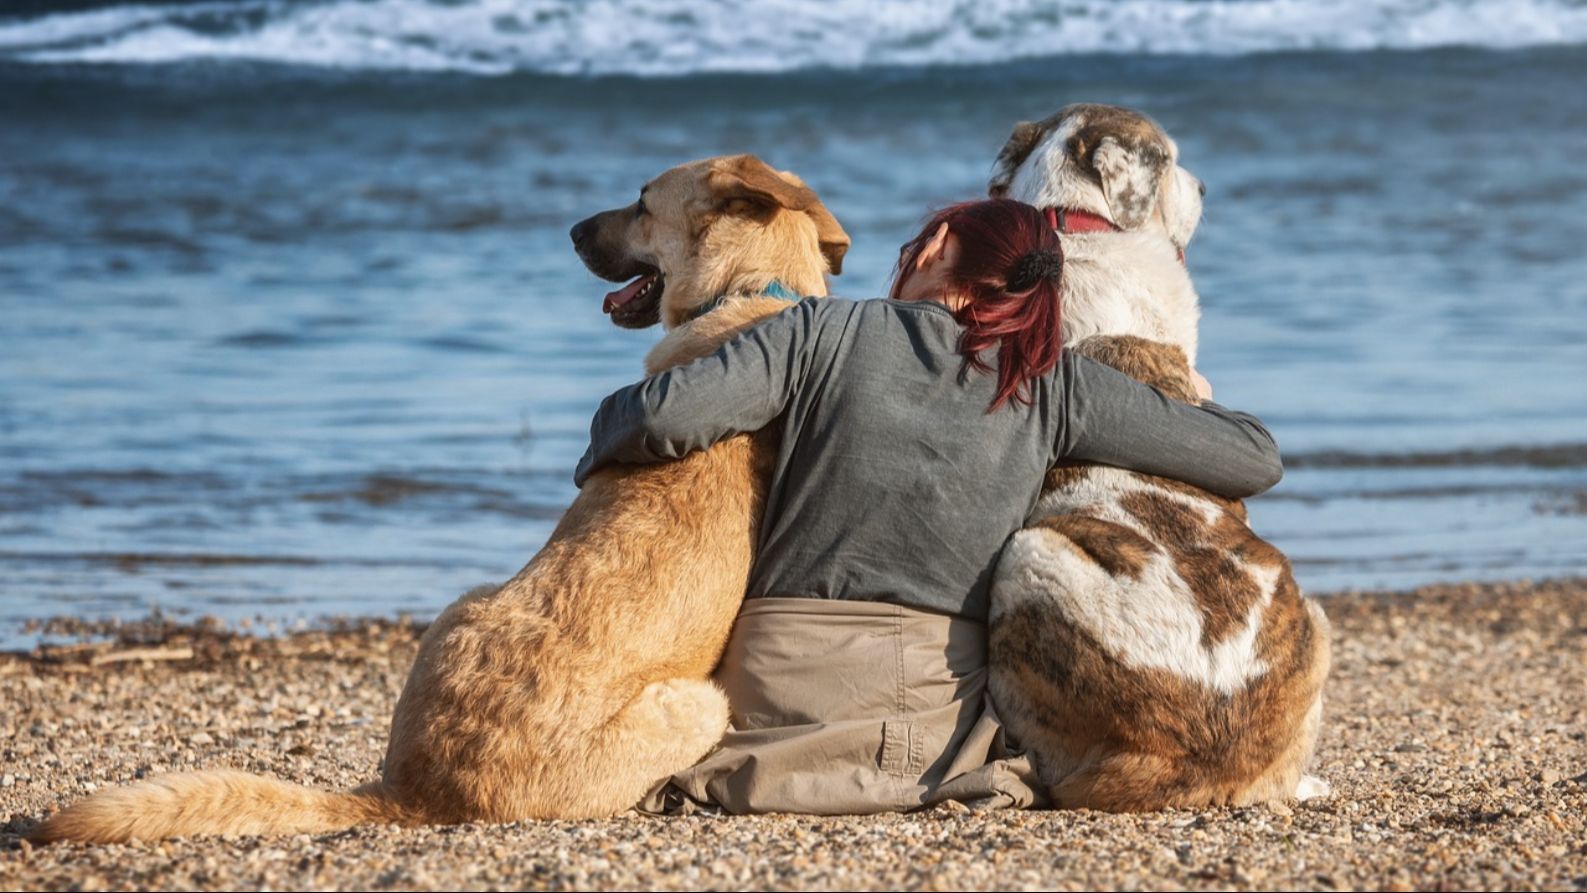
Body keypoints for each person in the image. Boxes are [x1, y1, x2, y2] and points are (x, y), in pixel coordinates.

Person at [573, 199, 1283, 815]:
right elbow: (1253, 456)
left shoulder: (821, 330)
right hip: (927, 732)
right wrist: (1188, 391)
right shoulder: (1056, 385)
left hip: (770, 697)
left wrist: (595, 449)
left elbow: (661, 419)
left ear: (938, 248)